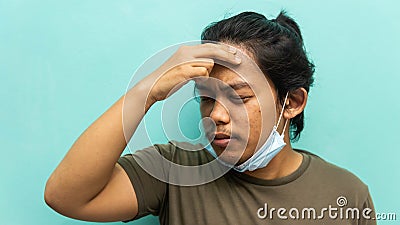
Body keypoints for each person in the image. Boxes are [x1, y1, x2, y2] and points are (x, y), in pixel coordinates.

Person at [44, 11, 376, 224]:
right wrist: (146, 91)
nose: (214, 115)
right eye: (205, 98)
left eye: (239, 96)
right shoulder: (175, 170)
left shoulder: (346, 194)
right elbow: (67, 196)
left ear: (292, 103)